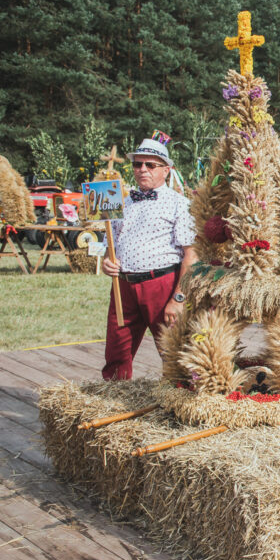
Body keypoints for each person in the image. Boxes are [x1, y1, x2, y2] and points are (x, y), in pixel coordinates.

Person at [100, 137, 196, 380]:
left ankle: (179, 397)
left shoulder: (180, 204)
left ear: (166, 170)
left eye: (150, 165)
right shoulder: (121, 202)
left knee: (171, 349)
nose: (142, 169)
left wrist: (178, 298)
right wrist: (107, 261)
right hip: (123, 286)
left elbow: (191, 255)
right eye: (138, 164)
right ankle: (114, 397)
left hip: (161, 284)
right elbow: (110, 243)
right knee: (116, 348)